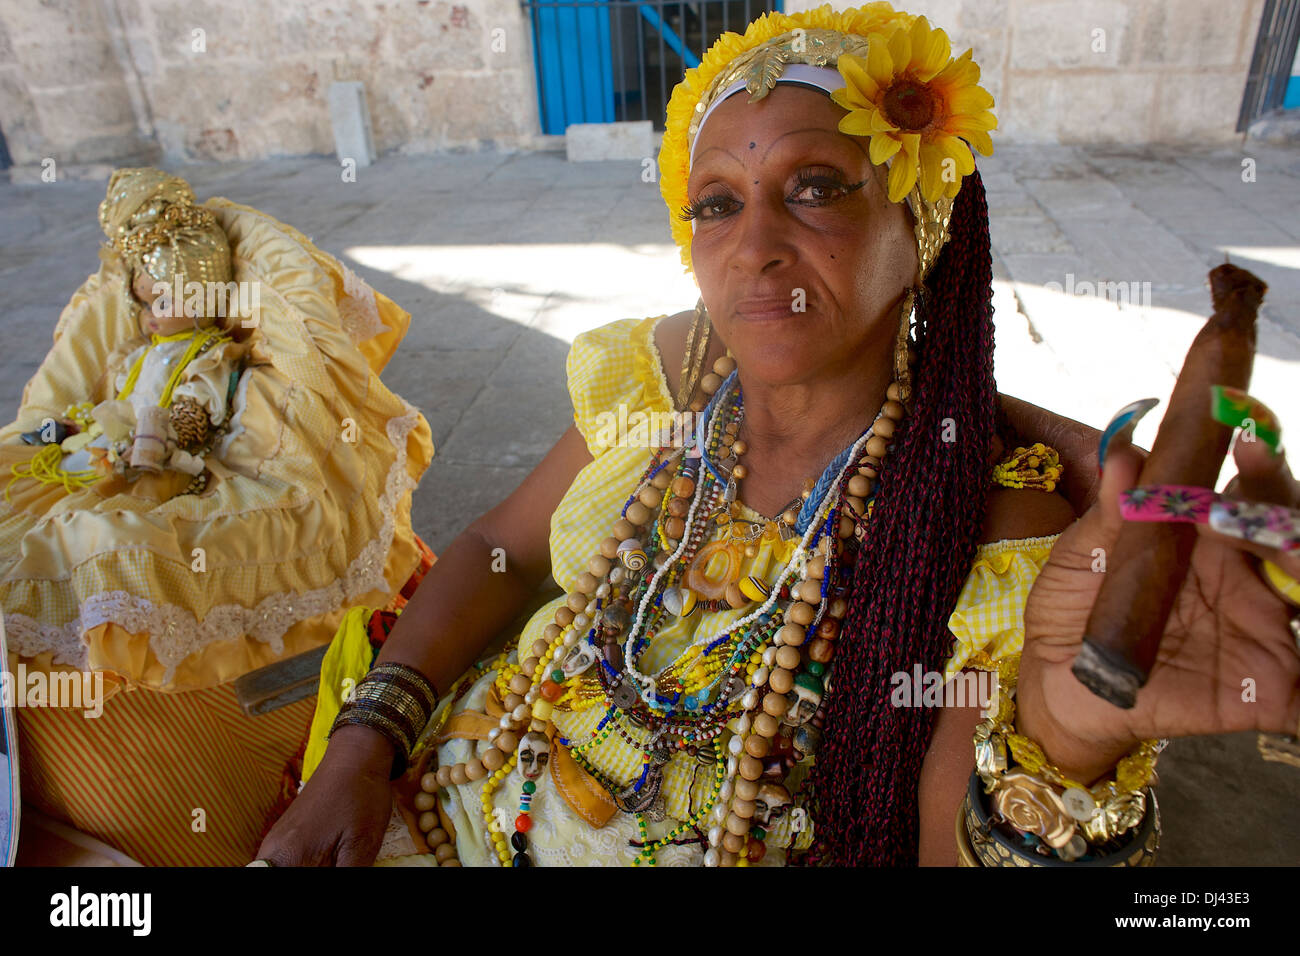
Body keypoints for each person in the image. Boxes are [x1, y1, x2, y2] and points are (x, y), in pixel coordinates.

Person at [258, 3, 1300, 867]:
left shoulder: (986, 515)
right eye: (716, 203)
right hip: (435, 801)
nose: (752, 247)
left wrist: (1066, 737)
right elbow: (505, 547)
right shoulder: (663, 377)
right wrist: (365, 739)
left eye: (813, 188)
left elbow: (942, 847)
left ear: (920, 225)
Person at [1, 168, 435, 865]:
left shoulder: (209, 358)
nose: (144, 316)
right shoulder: (138, 349)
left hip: (161, 469)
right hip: (110, 458)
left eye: (159, 301)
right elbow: (89, 394)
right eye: (139, 303)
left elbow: (193, 424)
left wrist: (146, 435)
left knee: (103, 543)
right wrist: (89, 426)